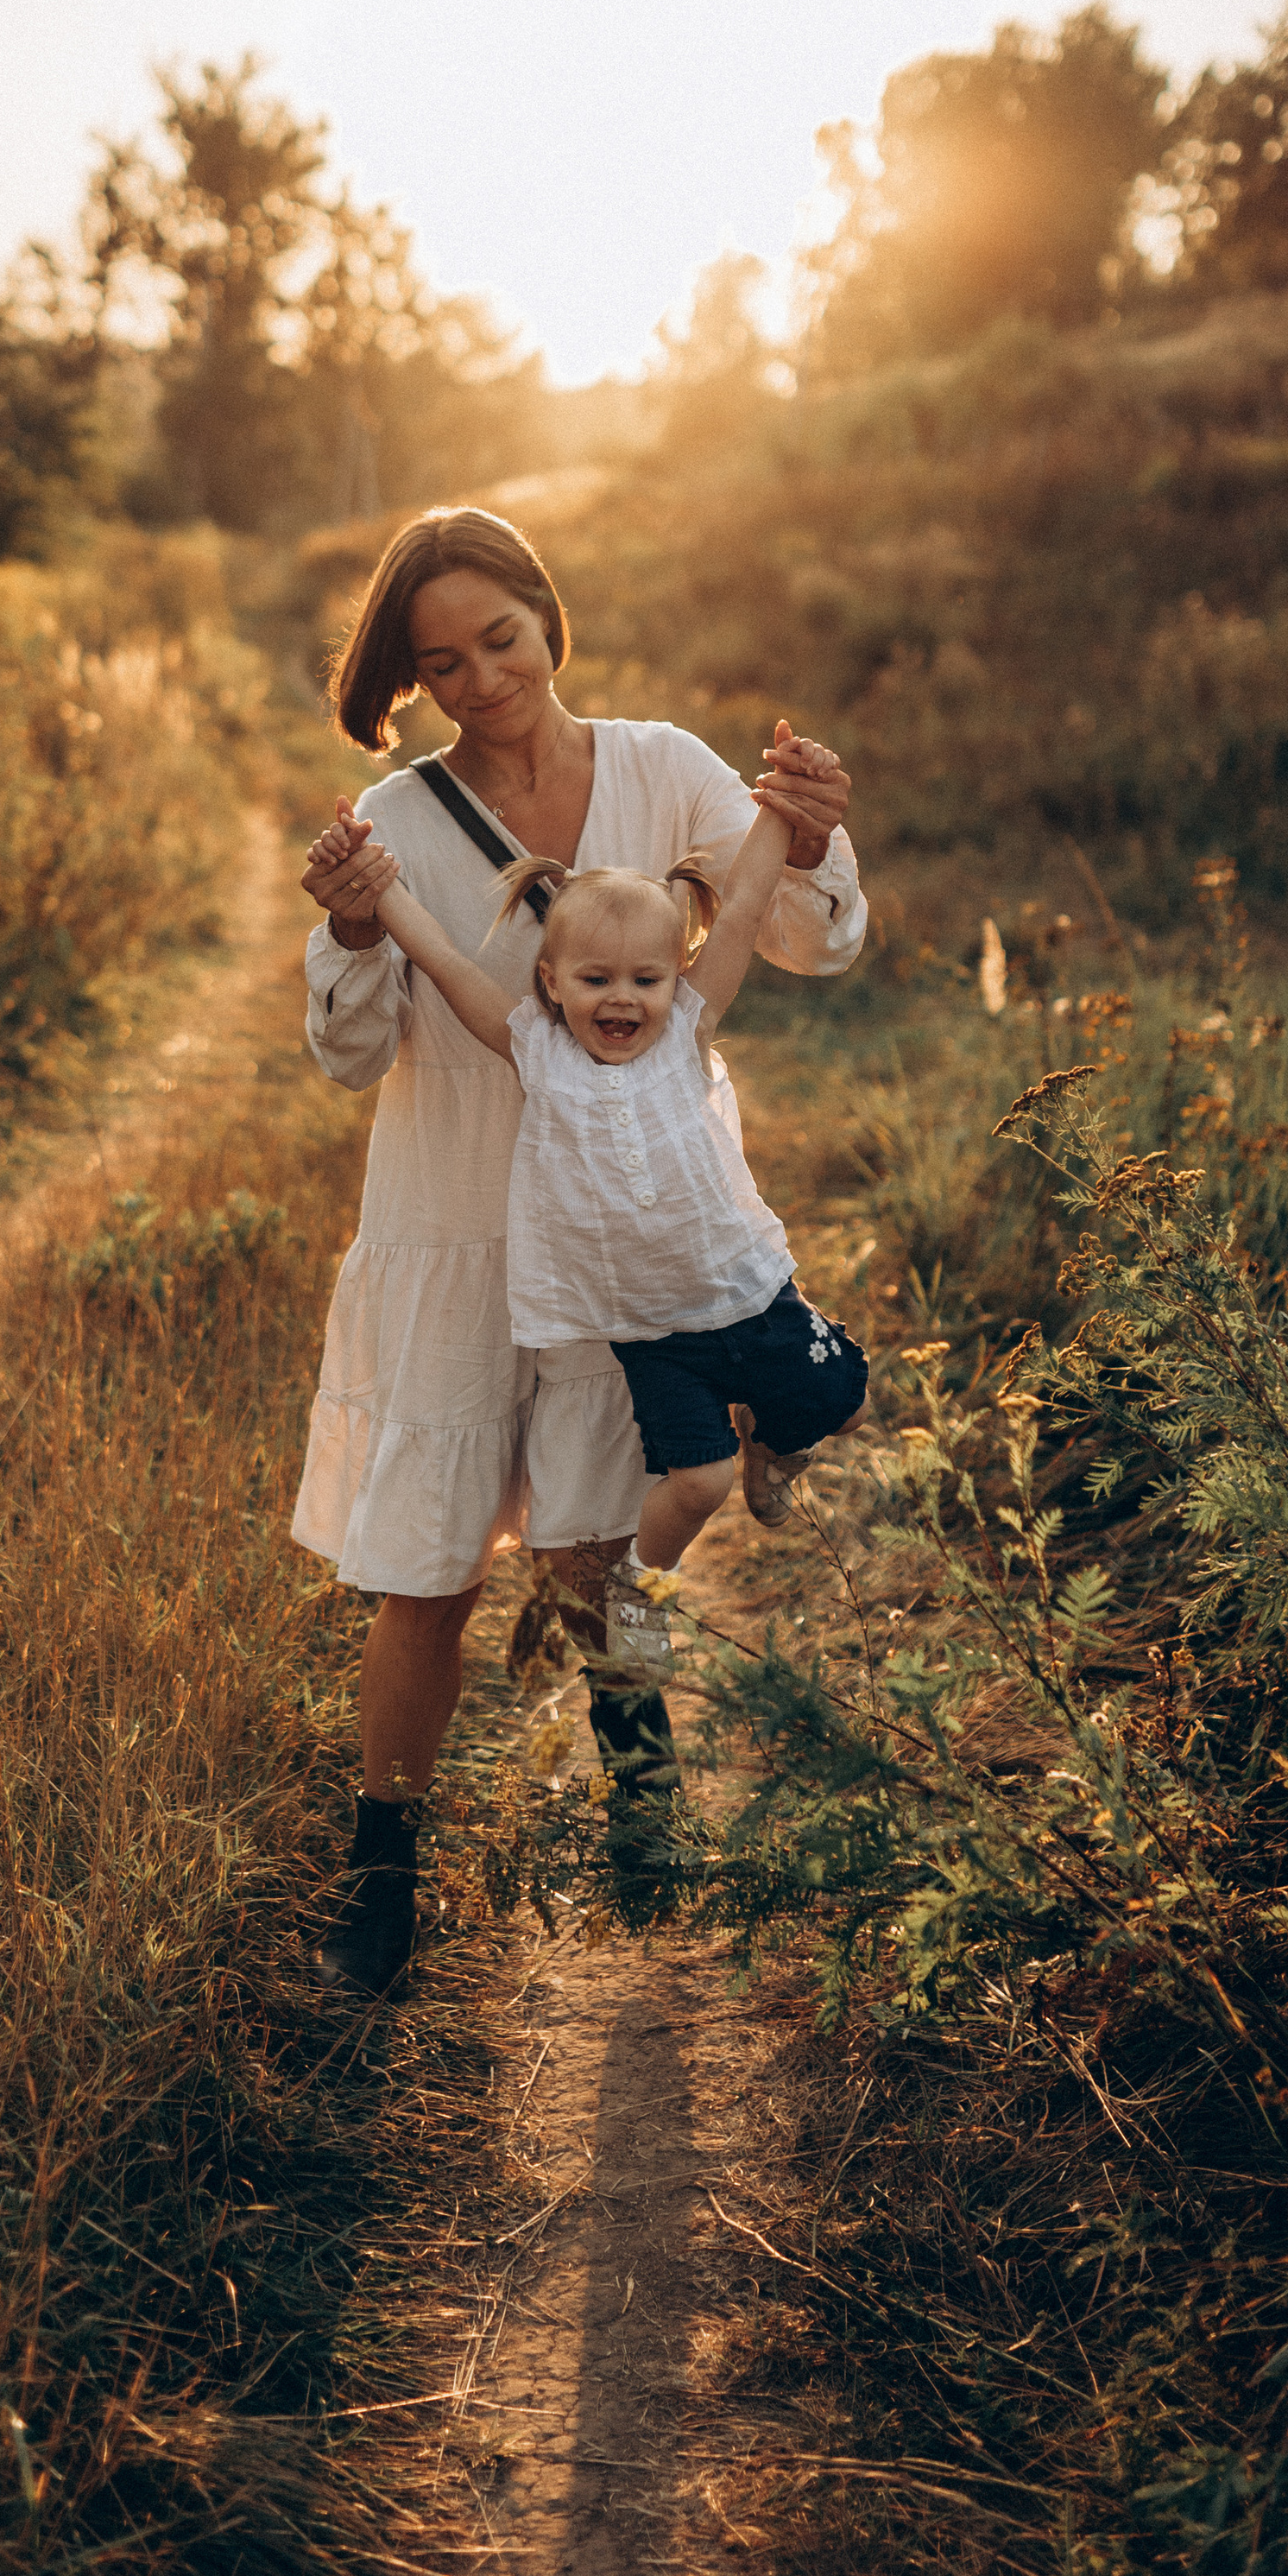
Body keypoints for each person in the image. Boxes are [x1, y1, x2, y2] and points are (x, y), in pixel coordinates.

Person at [295, 506, 866, 1999]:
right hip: (457, 1231)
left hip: (626, 1252)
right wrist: (357, 931)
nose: (482, 676)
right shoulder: (397, 823)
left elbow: (806, 939)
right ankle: (383, 1874)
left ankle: (643, 1804)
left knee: (594, 1550)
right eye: (441, 661)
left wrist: (806, 827)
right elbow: (350, 1051)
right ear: (407, 680)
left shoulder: (668, 764)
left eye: (501, 635)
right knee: (425, 1574)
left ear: (547, 615)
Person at [328, 803, 869, 1681]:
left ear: (674, 983)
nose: (622, 998)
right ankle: (642, 1604)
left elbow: (734, 918)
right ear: (550, 983)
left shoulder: (685, 1038)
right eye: (595, 979)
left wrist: (775, 814)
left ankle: (781, 1435)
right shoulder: (534, 1052)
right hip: (653, 1338)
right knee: (697, 1485)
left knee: (847, 1404)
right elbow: (445, 964)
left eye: (646, 981)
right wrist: (378, 889)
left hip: (747, 1294)